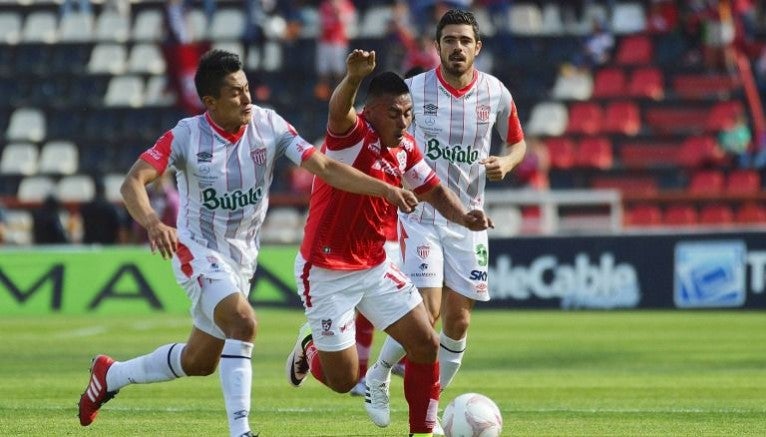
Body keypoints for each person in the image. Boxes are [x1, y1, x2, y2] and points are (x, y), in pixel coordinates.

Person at [77, 49, 420, 437]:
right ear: (210, 102)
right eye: (235, 93)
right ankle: (241, 432)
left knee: (199, 360)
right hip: (197, 249)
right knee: (244, 323)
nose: (247, 98)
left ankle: (111, 374)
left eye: (246, 88)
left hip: (242, 259)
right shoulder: (187, 136)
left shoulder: (268, 125)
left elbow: (322, 166)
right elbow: (132, 182)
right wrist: (154, 222)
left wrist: (386, 191)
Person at [284, 49, 492, 437]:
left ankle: (422, 432)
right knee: (344, 379)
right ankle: (309, 346)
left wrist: (464, 216)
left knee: (426, 343)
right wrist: (352, 78)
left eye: (408, 113)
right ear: (371, 111)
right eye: (394, 113)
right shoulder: (350, 137)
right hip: (327, 271)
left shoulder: (406, 147)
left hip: (376, 267)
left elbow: (432, 189)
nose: (403, 121)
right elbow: (338, 110)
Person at [366, 8, 526, 432]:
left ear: (478, 47)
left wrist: (507, 164)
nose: (457, 47)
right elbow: (378, 133)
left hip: (469, 219)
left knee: (459, 322)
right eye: (449, 40)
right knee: (427, 313)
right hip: (421, 216)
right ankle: (384, 381)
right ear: (436, 46)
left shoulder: (496, 93)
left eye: (464, 40)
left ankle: (420, 399)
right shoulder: (413, 92)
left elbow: (518, 143)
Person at [80, 177, 127, 244]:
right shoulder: (112, 208)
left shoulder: (86, 208)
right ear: (105, 190)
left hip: (89, 244)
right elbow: (119, 229)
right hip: (108, 246)